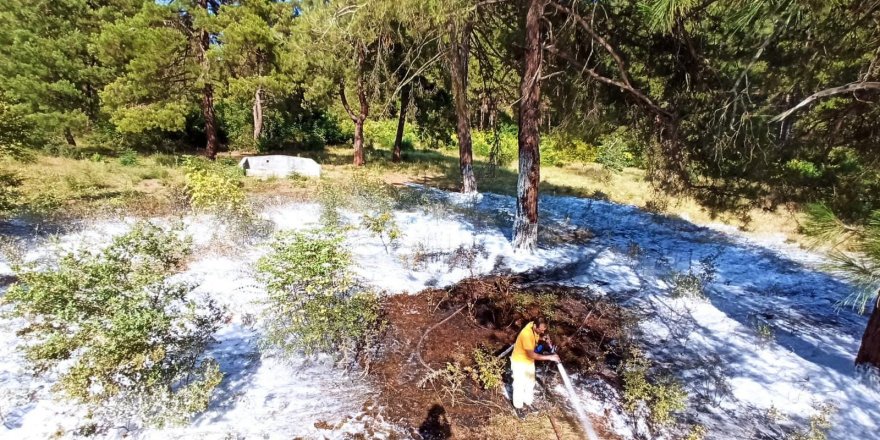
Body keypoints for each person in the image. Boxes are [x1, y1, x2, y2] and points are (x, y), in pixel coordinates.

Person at [510, 317, 560, 416]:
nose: (542, 332)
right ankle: (518, 407)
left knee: (530, 383)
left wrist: (543, 338)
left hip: (528, 362)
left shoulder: (533, 326)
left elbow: (535, 338)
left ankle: (528, 402)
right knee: (519, 385)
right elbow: (531, 354)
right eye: (540, 330)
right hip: (519, 362)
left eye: (543, 330)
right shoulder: (526, 334)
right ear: (534, 326)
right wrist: (550, 357)